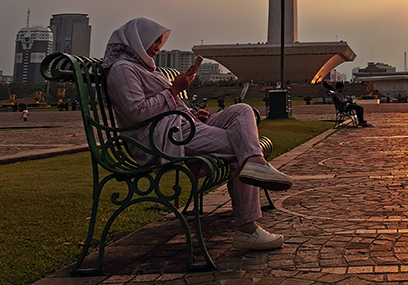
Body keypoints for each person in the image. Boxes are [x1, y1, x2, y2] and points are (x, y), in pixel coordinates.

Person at [102, 17, 292, 251]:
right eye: (153, 42)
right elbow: (137, 111)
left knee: (241, 110)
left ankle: (255, 162)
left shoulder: (147, 68)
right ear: (136, 40)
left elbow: (165, 105)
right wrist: (174, 90)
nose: (156, 48)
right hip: (163, 136)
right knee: (238, 147)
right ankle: (247, 229)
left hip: (183, 125)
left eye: (159, 43)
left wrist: (192, 112)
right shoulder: (122, 69)